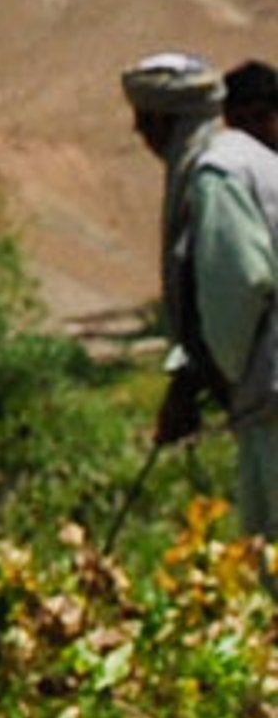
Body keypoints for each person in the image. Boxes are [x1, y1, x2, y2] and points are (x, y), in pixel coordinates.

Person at [129, 52, 278, 537]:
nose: (138, 134)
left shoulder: (218, 172)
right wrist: (187, 383)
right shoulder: (253, 160)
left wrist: (232, 380)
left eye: (141, 120)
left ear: (160, 122)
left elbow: (241, 287)